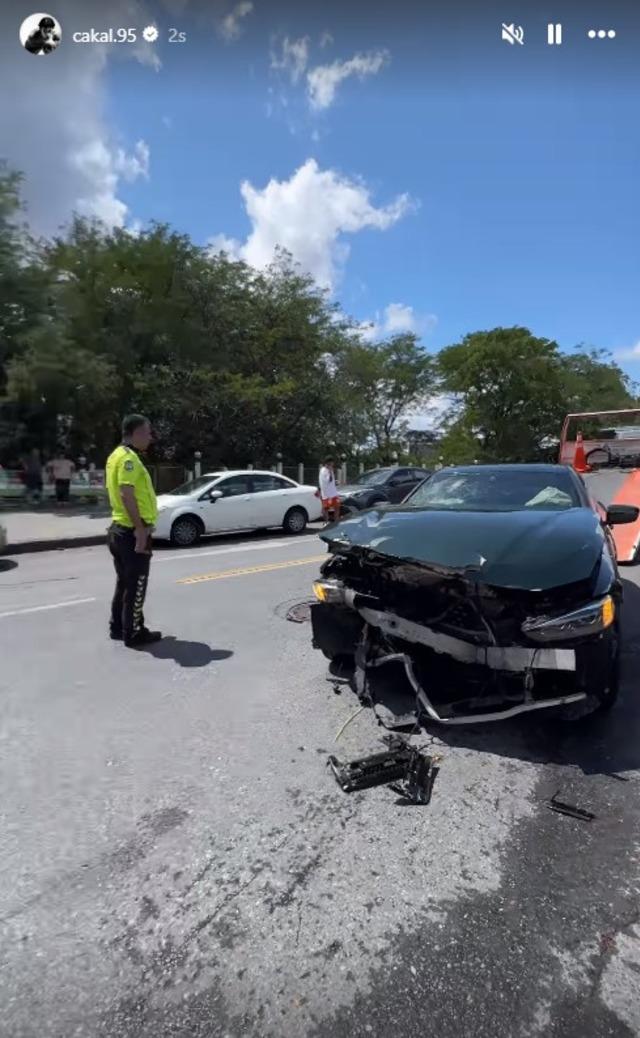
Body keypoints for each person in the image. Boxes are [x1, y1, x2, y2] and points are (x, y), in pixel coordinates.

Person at [105, 415, 162, 648]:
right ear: (136, 433)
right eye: (148, 432)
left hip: (118, 530)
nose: (150, 437)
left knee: (124, 583)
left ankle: (117, 627)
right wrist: (140, 529)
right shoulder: (129, 459)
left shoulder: (114, 456)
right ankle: (134, 633)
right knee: (137, 583)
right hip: (131, 532)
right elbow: (126, 493)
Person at [319, 457, 340, 523]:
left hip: (333, 493)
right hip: (327, 494)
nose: (333, 464)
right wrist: (331, 471)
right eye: (332, 463)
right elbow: (329, 479)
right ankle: (326, 522)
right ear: (328, 463)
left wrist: (335, 482)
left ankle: (336, 522)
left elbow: (331, 481)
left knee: (337, 507)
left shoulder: (326, 470)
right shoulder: (325, 470)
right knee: (326, 509)